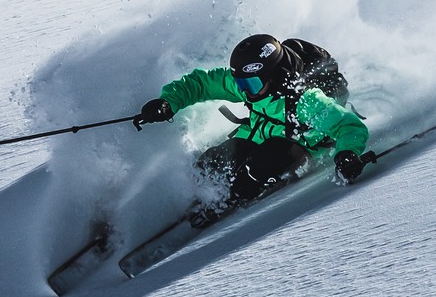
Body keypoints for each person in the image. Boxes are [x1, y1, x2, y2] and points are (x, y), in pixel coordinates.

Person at [133, 33, 371, 213]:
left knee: (258, 168)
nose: (246, 92)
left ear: (275, 75)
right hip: (258, 137)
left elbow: (349, 127)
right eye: (240, 85)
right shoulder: (248, 83)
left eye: (252, 86)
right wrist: (167, 103)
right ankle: (202, 199)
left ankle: (232, 199)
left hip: (300, 148)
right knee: (211, 164)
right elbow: (200, 84)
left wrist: (347, 154)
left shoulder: (306, 101)